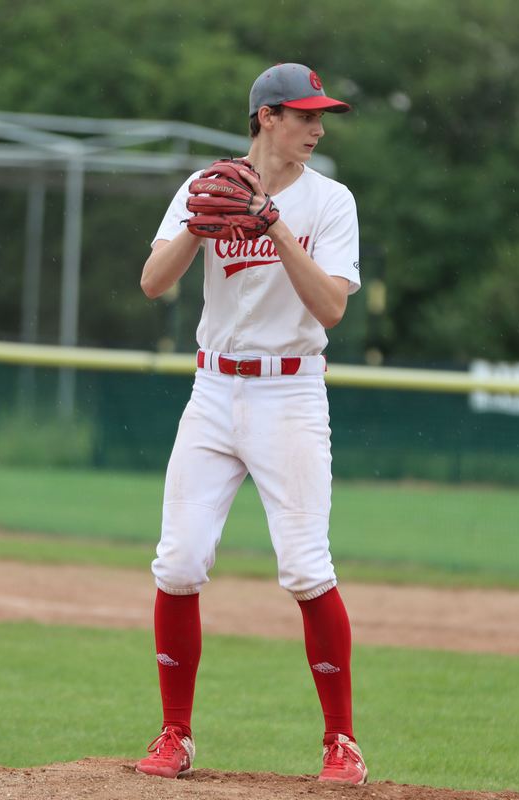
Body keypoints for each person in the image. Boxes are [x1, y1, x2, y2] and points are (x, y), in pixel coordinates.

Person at [134, 63, 365, 784]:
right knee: (177, 562)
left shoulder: (330, 200)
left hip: (289, 395)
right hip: (213, 389)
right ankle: (175, 735)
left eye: (320, 117)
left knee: (304, 567)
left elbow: (330, 309)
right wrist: (199, 224)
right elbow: (153, 282)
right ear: (266, 116)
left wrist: (273, 224)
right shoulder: (210, 186)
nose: (317, 129)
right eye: (304, 116)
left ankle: (341, 743)